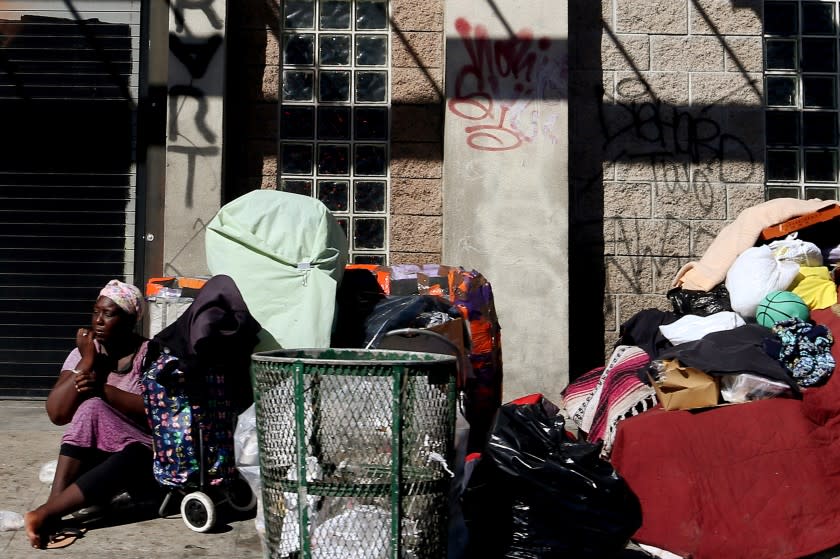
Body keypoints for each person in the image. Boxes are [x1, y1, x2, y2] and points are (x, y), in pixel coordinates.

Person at [24, 279, 158, 549]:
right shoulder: (86, 352)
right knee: (89, 408)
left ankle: (49, 513)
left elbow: (157, 413)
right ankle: (53, 508)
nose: (98, 320)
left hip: (140, 455)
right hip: (95, 456)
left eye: (108, 314)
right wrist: (86, 362)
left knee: (96, 406)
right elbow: (57, 413)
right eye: (95, 312)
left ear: (130, 319)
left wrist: (102, 389)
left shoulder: (149, 355)